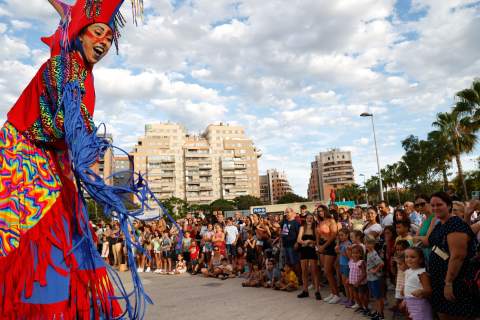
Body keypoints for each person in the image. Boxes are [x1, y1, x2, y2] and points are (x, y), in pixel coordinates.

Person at [0, 0, 146, 317]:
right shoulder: (62, 67)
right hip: (26, 165)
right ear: (80, 35)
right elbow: (73, 125)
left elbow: (78, 136)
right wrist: (99, 178)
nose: (103, 42)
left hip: (57, 169)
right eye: (97, 33)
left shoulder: (86, 76)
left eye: (109, 38)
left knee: (78, 248)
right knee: (43, 254)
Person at [428, 192, 479, 319]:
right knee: (443, 313)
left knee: (456, 315)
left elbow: (458, 256)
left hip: (454, 281)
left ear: (449, 206)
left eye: (439, 204)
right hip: (438, 280)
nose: (435, 208)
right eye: (432, 205)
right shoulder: (440, 223)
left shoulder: (455, 224)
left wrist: (448, 283)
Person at [317, 205, 340, 304]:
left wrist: (324, 246)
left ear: (325, 211)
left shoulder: (331, 221)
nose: (320, 212)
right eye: (318, 211)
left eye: (321, 210)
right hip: (321, 247)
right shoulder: (320, 222)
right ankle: (332, 293)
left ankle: (336, 294)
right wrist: (318, 246)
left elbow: (334, 235)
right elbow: (317, 234)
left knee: (328, 270)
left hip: (329, 246)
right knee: (326, 271)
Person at [403, 247, 433, 320]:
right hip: (409, 302)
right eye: (406, 257)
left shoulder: (422, 273)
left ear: (421, 260)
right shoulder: (408, 271)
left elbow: (429, 290)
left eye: (412, 257)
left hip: (419, 304)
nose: (409, 259)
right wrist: (404, 299)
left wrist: (421, 291)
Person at [296, 213, 321, 299]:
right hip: (304, 250)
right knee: (304, 271)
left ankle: (317, 291)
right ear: (305, 219)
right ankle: (305, 290)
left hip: (312, 250)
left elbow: (317, 242)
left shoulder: (316, 228)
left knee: (314, 271)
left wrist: (310, 241)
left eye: (311, 218)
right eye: (308, 218)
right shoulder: (302, 227)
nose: (309, 219)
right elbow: (299, 239)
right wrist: (305, 242)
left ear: (313, 219)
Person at [366, 237, 385, 320]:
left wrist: (375, 270)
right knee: (375, 297)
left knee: (378, 298)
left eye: (369, 243)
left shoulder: (373, 254)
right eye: (366, 243)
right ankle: (377, 312)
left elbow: (381, 263)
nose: (367, 245)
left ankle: (381, 315)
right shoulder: (369, 253)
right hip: (370, 278)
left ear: (373, 244)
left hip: (375, 279)